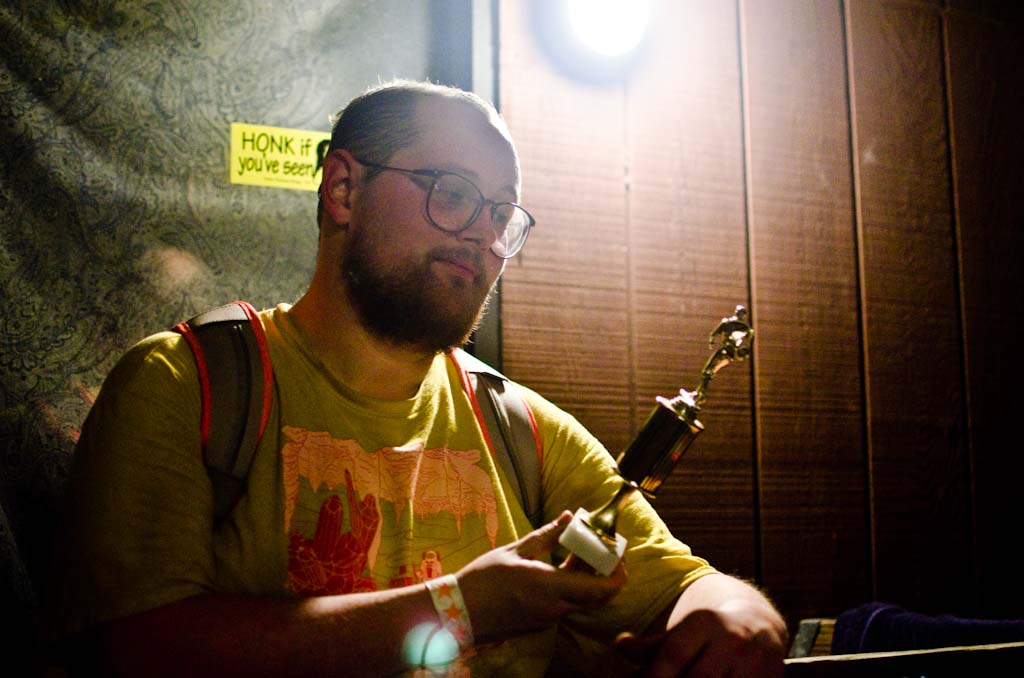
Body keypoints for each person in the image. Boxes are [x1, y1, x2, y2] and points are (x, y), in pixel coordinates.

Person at [46, 80, 787, 676]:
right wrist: (461, 608)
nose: (481, 234)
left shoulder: (520, 429)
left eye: (500, 214)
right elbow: (132, 650)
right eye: (453, 192)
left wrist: (740, 617)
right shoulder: (188, 386)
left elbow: (688, 584)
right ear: (343, 189)